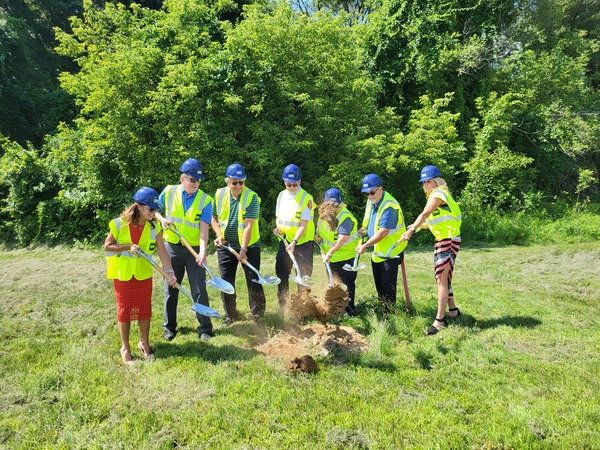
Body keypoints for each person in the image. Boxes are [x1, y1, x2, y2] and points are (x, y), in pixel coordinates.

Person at [104, 187, 177, 364]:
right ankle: (125, 348)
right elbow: (108, 246)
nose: (154, 213)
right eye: (151, 209)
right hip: (123, 276)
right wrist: (127, 246)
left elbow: (162, 252)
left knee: (144, 310)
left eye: (155, 209)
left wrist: (170, 272)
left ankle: (144, 342)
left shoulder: (155, 226)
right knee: (125, 312)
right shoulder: (119, 224)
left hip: (143, 275)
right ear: (139, 206)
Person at [399, 165, 462, 335]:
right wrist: (419, 227)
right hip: (449, 237)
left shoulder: (438, 194)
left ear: (436, 181)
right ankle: (453, 310)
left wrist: (411, 230)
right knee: (445, 277)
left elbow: (425, 214)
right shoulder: (440, 195)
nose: (425, 185)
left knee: (441, 280)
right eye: (424, 182)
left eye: (428, 181)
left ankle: (439, 321)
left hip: (447, 240)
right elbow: (437, 219)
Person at [159, 158, 214, 342]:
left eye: (198, 180)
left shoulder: (206, 200)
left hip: (194, 250)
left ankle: (205, 328)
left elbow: (204, 229)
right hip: (172, 249)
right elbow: (154, 211)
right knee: (171, 287)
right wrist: (161, 220)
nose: (196, 184)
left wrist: (203, 252)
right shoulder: (168, 192)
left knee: (199, 289)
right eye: (192, 180)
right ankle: (169, 328)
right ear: (183, 178)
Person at [211, 163, 266, 324]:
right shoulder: (219, 195)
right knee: (226, 281)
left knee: (253, 279)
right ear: (227, 181)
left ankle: (258, 315)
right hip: (226, 246)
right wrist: (219, 235)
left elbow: (248, 225)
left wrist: (243, 249)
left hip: (249, 246)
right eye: (235, 182)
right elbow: (213, 218)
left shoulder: (252, 197)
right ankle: (230, 315)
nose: (238, 186)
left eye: (241, 182)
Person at [356, 174, 407, 312]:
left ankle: (390, 314)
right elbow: (366, 224)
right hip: (378, 251)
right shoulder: (371, 202)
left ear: (380, 189)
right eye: (366, 193)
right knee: (379, 286)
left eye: (372, 192)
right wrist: (361, 238)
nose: (369, 196)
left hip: (391, 251)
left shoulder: (389, 206)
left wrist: (366, 245)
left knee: (387, 287)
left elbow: (383, 231)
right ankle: (382, 309)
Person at [273, 164, 315, 310]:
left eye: (294, 184)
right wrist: (279, 230)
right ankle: (283, 307)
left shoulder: (306, 198)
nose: (291, 187)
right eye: (288, 184)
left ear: (300, 181)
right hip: (285, 242)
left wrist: (295, 242)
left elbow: (303, 225)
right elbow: (279, 217)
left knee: (303, 277)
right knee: (282, 273)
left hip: (302, 243)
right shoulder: (281, 195)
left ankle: (303, 308)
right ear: (284, 182)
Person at [316, 188, 360, 314]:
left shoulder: (345, 217)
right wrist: (318, 243)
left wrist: (329, 252)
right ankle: (335, 310)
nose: (332, 208)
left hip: (347, 256)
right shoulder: (323, 216)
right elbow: (320, 235)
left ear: (340, 203)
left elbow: (342, 238)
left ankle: (349, 310)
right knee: (333, 284)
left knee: (347, 284)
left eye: (334, 205)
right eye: (329, 205)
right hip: (331, 259)